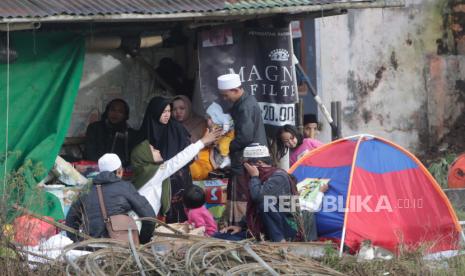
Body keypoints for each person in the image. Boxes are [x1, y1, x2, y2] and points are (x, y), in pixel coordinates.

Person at [215, 144, 299, 242]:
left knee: (265, 204)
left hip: (285, 228)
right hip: (261, 229)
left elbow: (258, 198)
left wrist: (254, 177)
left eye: (246, 164)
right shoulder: (261, 176)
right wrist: (241, 226)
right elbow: (254, 208)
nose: (245, 168)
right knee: (219, 237)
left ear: (258, 163)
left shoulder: (279, 177)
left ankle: (279, 241)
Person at [132, 127, 222, 218]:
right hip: (141, 220)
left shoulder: (145, 173)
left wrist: (203, 142)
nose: (158, 150)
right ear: (146, 156)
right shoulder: (153, 174)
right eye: (154, 150)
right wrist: (202, 142)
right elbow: (177, 161)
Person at [65, 154, 155, 244]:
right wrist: (142, 240)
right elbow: (150, 217)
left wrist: (79, 241)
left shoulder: (86, 189)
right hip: (120, 247)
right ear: (119, 171)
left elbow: (70, 222)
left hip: (91, 246)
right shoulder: (125, 187)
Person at [217, 73, 268, 226]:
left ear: (235, 90)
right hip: (248, 158)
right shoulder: (247, 101)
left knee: (242, 196)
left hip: (245, 160)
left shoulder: (244, 106)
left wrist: (226, 146)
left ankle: (242, 229)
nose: (225, 99)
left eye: (226, 96)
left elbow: (245, 137)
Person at [138, 96, 193, 223]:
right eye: (163, 111)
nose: (167, 115)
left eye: (169, 111)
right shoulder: (146, 130)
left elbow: (189, 154)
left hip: (177, 180)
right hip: (153, 178)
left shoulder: (177, 128)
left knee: (177, 217)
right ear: (155, 111)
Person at [85, 99, 137, 166]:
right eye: (112, 110)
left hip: (121, 170)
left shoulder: (129, 133)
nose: (115, 114)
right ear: (107, 112)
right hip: (97, 167)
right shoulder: (95, 128)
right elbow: (90, 153)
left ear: (125, 115)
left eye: (120, 111)